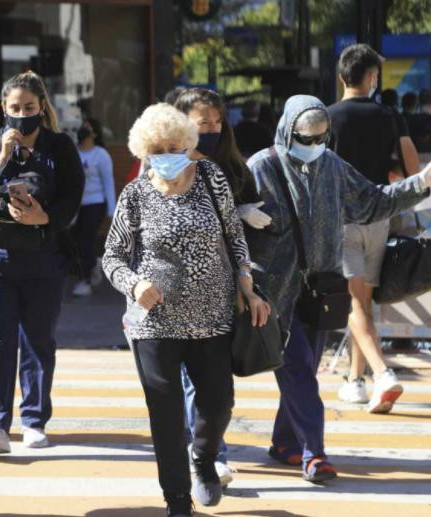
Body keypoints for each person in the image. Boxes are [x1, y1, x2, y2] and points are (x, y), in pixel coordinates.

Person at [245, 94, 431, 483]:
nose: (314, 146)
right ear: (287, 130)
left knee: (304, 370)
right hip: (275, 290)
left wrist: (420, 183)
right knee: (299, 369)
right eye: (306, 137)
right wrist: (240, 215)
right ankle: (314, 455)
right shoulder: (261, 167)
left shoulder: (332, 167)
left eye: (322, 137)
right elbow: (228, 219)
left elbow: (371, 203)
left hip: (323, 288)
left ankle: (285, 443)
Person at [103, 102, 270, 516]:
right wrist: (135, 283)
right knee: (165, 410)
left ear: (189, 144)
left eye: (176, 145)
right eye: (158, 148)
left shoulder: (211, 179)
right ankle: (177, 498)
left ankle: (203, 456)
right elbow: (112, 257)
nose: (168, 154)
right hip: (153, 323)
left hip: (212, 317)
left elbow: (235, 240)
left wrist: (247, 288)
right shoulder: (136, 194)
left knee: (218, 405)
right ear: (144, 151)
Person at [0, 71, 84, 454]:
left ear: (41, 108)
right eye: (14, 108)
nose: (21, 115)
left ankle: (33, 420)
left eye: (29, 108)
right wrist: (0, 157)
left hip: (44, 261)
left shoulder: (59, 146)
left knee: (38, 339)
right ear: (3, 108)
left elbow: (72, 197)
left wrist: (44, 218)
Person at [172, 87, 273, 487]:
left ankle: (205, 449)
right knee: (192, 375)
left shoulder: (234, 167)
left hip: (225, 285)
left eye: (217, 122)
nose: (212, 130)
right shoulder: (163, 166)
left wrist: (245, 215)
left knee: (213, 377)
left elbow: (253, 232)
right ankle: (210, 456)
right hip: (175, 288)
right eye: (203, 124)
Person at [328, 43, 420, 413]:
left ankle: (383, 374)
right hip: (379, 216)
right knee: (363, 302)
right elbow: (412, 167)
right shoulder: (390, 115)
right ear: (371, 78)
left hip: (341, 218)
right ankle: (355, 381)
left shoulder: (327, 117)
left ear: (341, 78)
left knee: (352, 302)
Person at [71, 118, 116, 296]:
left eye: (87, 127)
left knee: (85, 241)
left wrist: (112, 211)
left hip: (96, 203)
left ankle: (86, 281)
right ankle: (93, 265)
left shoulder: (101, 155)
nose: (82, 130)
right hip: (76, 206)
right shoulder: (73, 152)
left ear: (94, 133)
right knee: (75, 242)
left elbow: (108, 183)